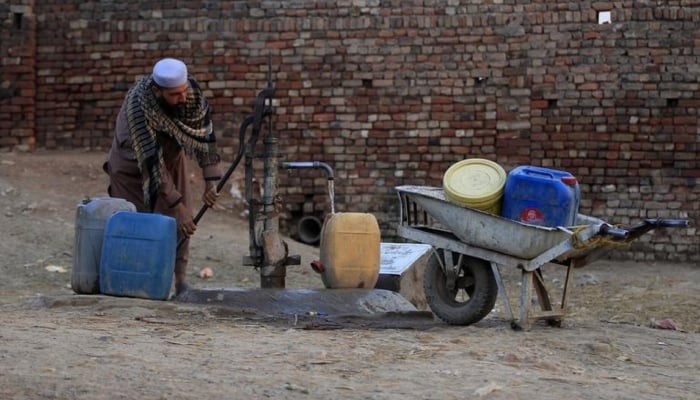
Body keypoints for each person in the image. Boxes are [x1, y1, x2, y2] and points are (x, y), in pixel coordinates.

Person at [104, 58, 222, 298]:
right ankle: (132, 285)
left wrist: (210, 181)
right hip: (131, 167)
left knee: (184, 219)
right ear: (157, 91)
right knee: (137, 224)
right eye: (173, 95)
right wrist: (175, 205)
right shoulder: (139, 108)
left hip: (171, 158)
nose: (181, 98)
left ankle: (179, 282)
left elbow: (205, 136)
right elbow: (151, 162)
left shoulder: (191, 95)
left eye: (183, 92)